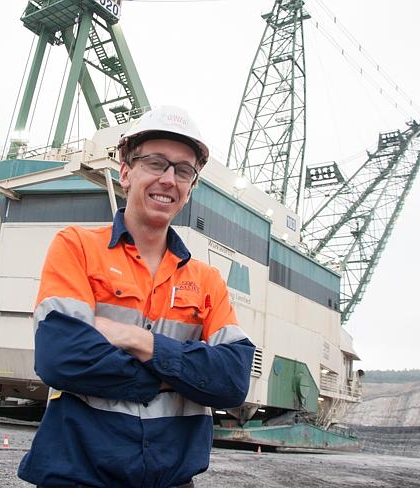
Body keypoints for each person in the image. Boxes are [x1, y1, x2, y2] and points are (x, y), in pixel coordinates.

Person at [18, 106, 255, 488]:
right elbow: (60, 357)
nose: (168, 179)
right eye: (156, 163)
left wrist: (136, 339)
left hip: (173, 480)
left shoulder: (207, 279)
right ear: (126, 172)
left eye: (183, 171)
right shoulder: (77, 247)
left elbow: (232, 381)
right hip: (77, 476)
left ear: (191, 186)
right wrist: (177, 377)